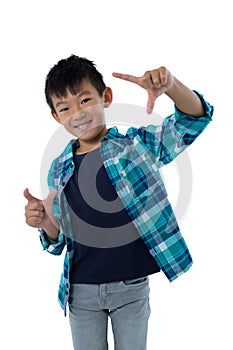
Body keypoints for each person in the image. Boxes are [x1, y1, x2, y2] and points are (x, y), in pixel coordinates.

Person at [24, 55, 213, 350]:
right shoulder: (58, 168)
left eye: (85, 100)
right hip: (80, 292)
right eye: (65, 108)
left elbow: (193, 120)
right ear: (56, 116)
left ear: (106, 97)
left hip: (131, 289)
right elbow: (57, 240)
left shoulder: (138, 147)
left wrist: (172, 85)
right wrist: (45, 222)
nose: (77, 113)